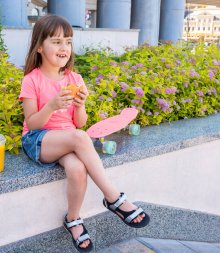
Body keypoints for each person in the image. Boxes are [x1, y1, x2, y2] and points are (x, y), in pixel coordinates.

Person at [19, 15, 150, 252]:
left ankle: (73, 219)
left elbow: (79, 123)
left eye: (68, 41)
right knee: (79, 138)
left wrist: (79, 104)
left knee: (78, 169)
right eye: (57, 41)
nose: (64, 48)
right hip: (38, 140)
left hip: (67, 138)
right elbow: (32, 122)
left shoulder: (74, 78)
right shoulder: (31, 80)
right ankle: (113, 198)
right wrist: (51, 106)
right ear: (39, 46)